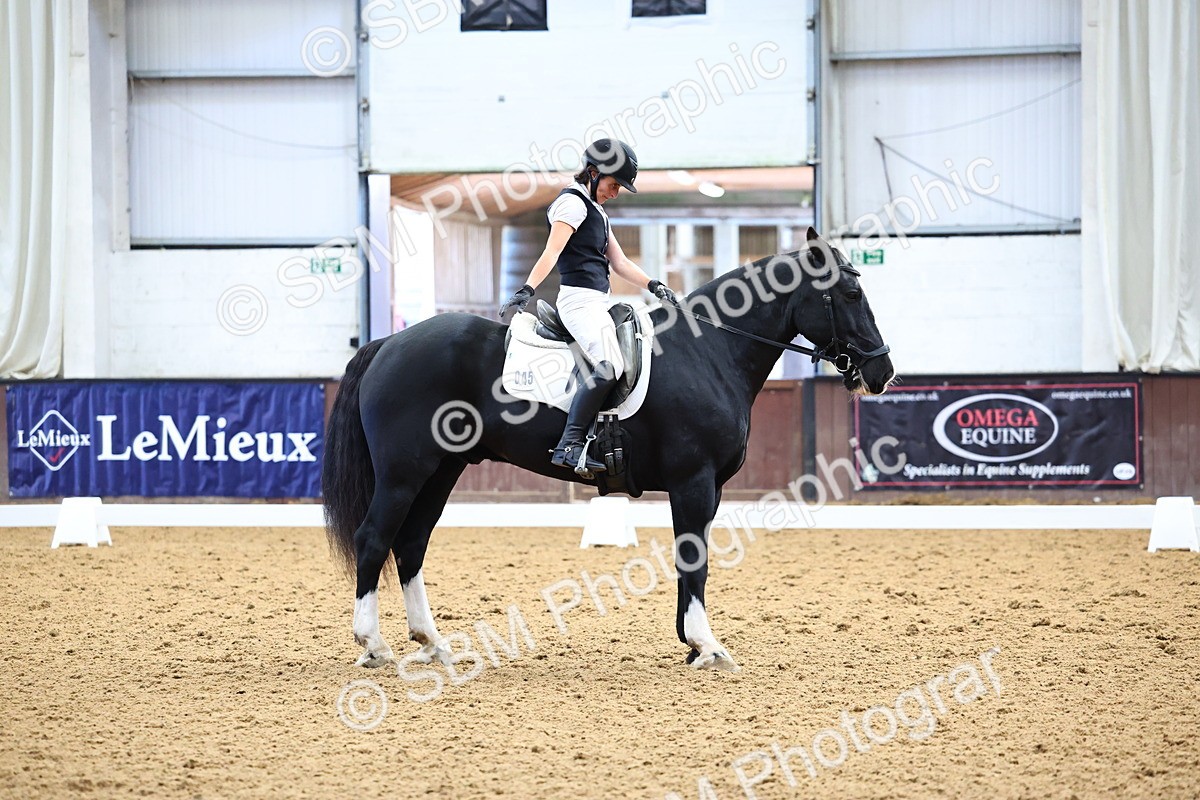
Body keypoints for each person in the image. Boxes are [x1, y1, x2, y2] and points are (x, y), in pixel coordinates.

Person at [499, 138, 678, 473]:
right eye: (613, 184)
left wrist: (655, 286)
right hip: (578, 302)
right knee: (609, 365)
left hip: (598, 302)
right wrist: (526, 289)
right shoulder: (572, 205)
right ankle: (570, 444)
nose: (616, 192)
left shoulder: (596, 210)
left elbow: (620, 262)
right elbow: (551, 252)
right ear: (593, 173)